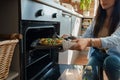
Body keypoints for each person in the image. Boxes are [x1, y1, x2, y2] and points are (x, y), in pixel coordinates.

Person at [64, 0, 120, 80]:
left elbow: (116, 39)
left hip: (115, 56)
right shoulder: (97, 19)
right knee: (87, 76)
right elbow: (86, 36)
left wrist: (90, 41)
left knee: (111, 61)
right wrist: (72, 38)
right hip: (97, 54)